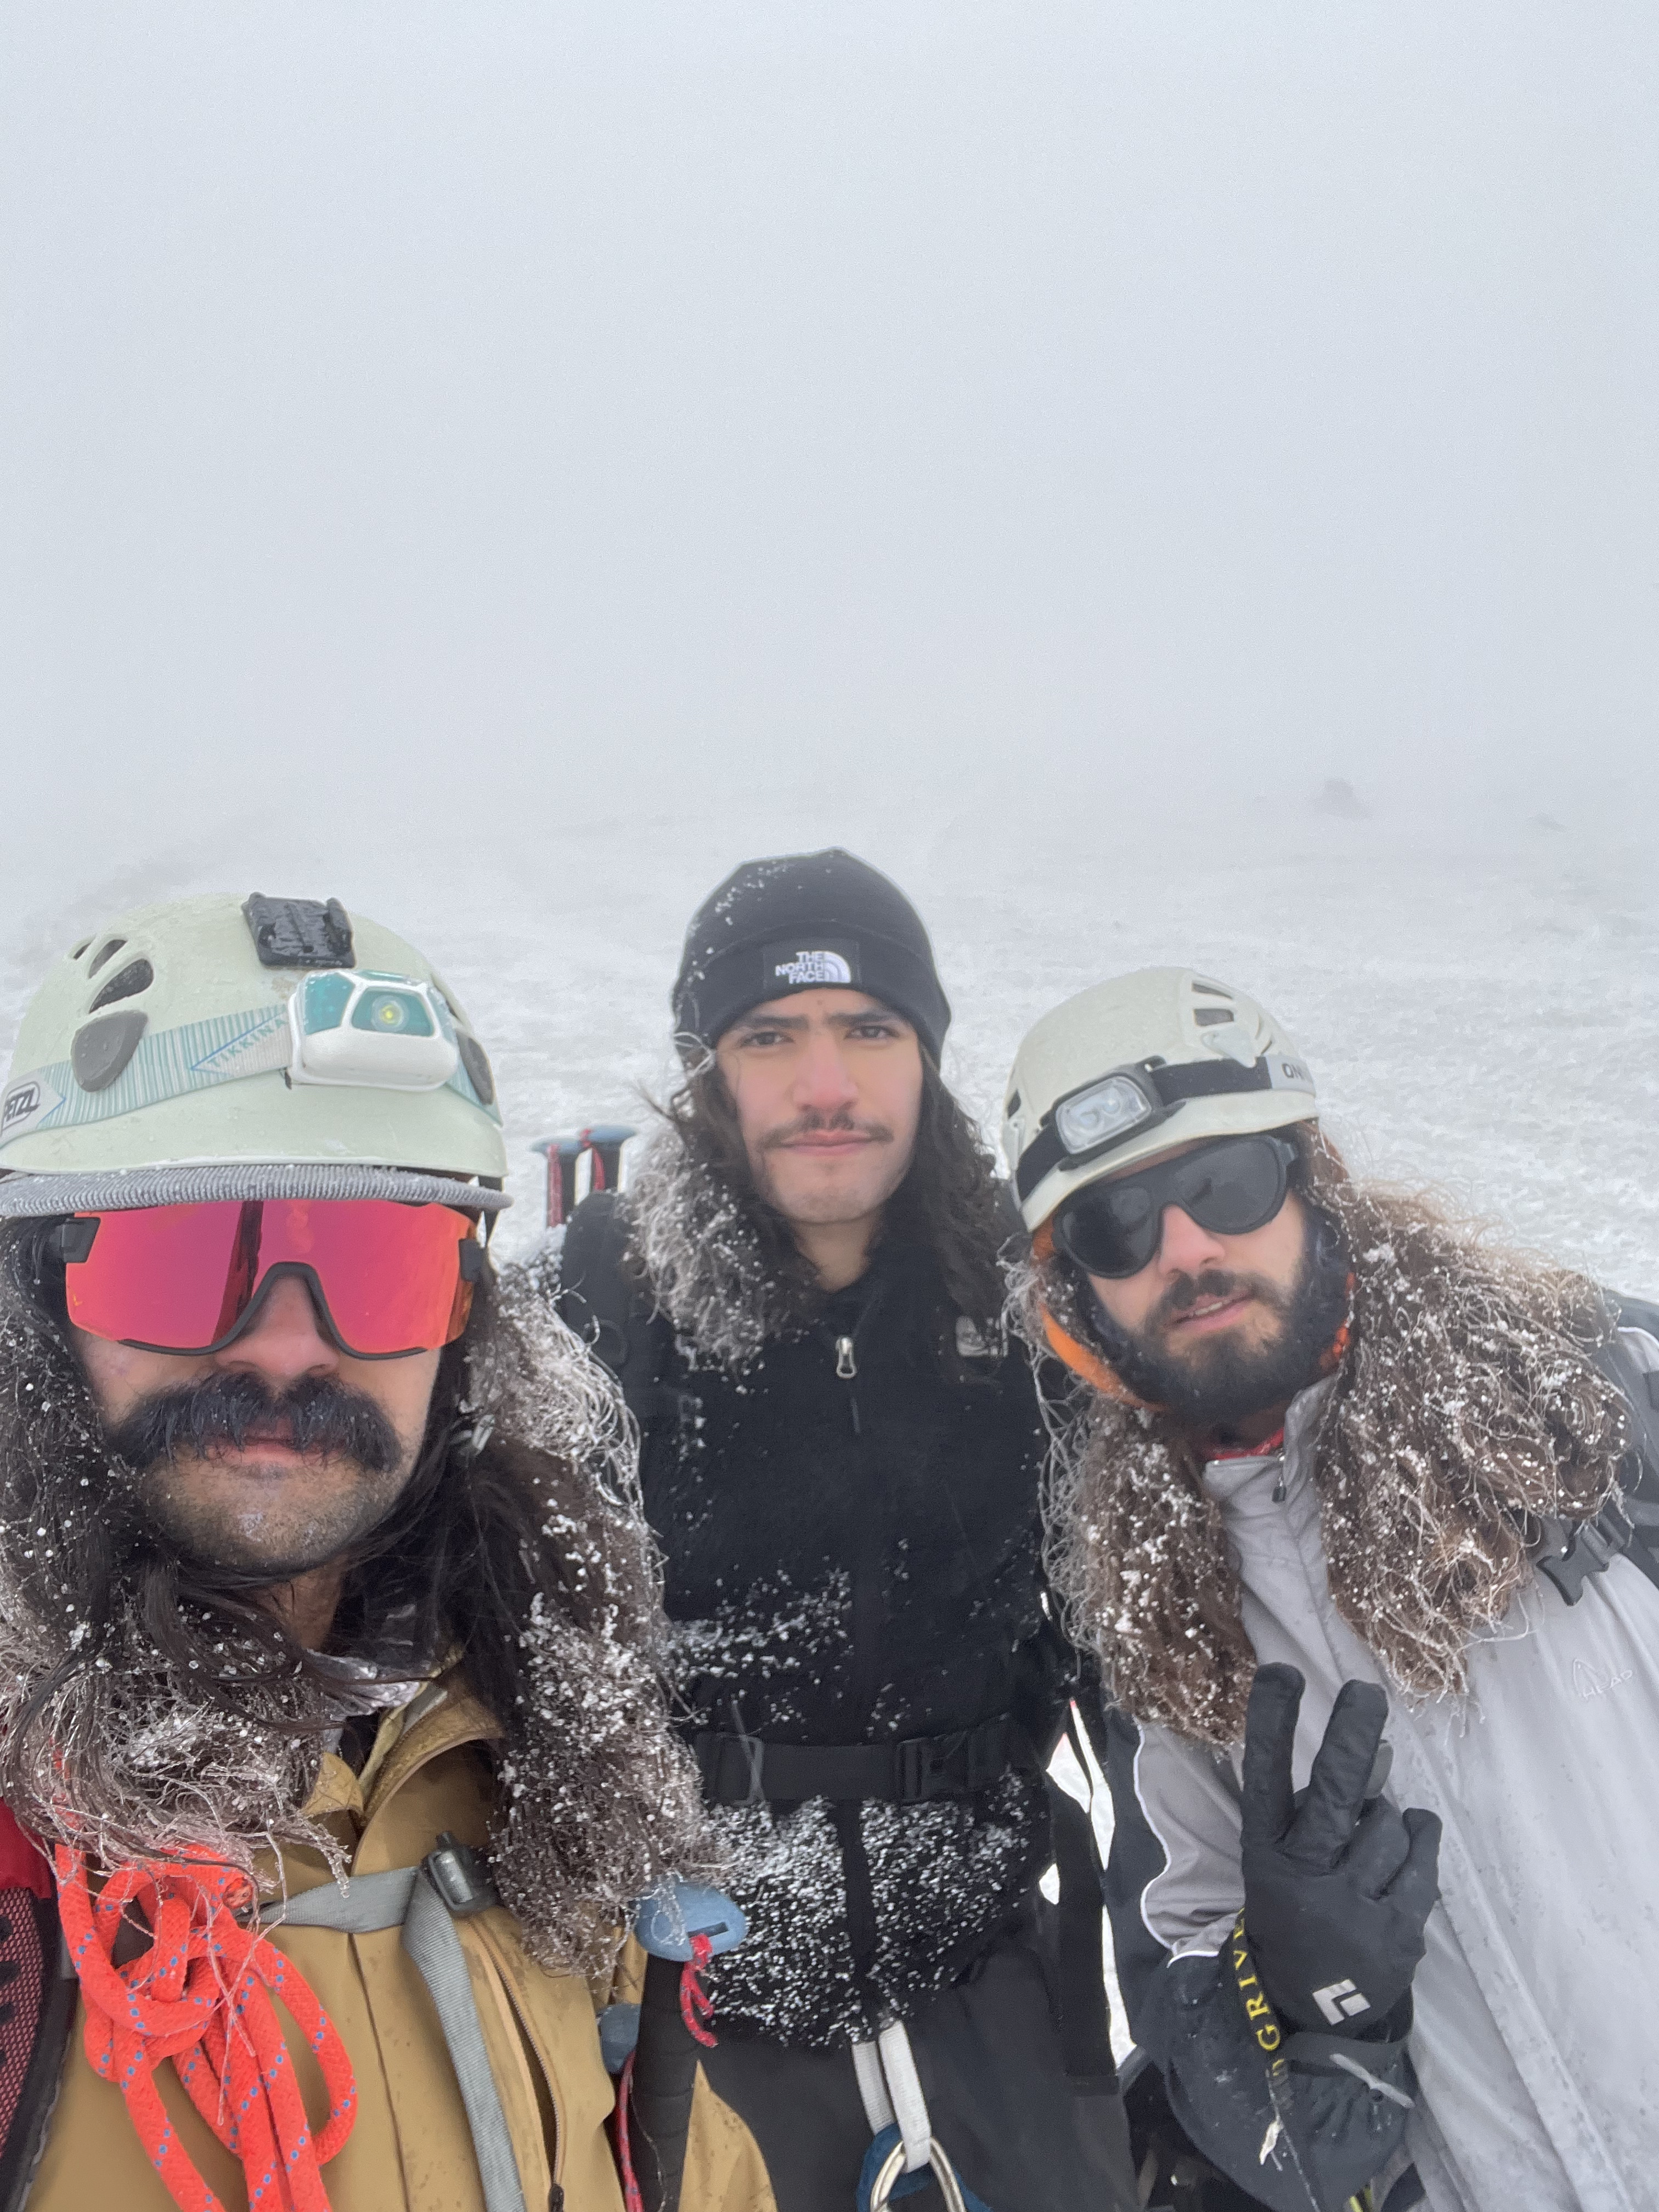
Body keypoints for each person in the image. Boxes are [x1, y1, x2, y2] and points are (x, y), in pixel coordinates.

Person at [0, 892, 770, 2212]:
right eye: (182, 1256)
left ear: (462, 1327)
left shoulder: (549, 1772)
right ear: (35, 1305)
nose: (289, 1347)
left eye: (380, 1264)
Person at [1002, 965, 1659, 2212]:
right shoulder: (1154, 1614)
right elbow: (1202, 1993)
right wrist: (1307, 2019)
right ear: (1074, 1297)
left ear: (1316, 1180)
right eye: (1114, 1225)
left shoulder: (1588, 1397)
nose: (1186, 1249)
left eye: (1226, 1184)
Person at [551, 849, 1136, 2212]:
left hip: (998, 1973)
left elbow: (1151, 1615)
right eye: (773, 1038)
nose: (826, 1086)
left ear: (926, 1053)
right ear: (713, 1071)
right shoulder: (599, 1311)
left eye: (870, 1030)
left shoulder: (1030, 1307)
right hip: (692, 1991)